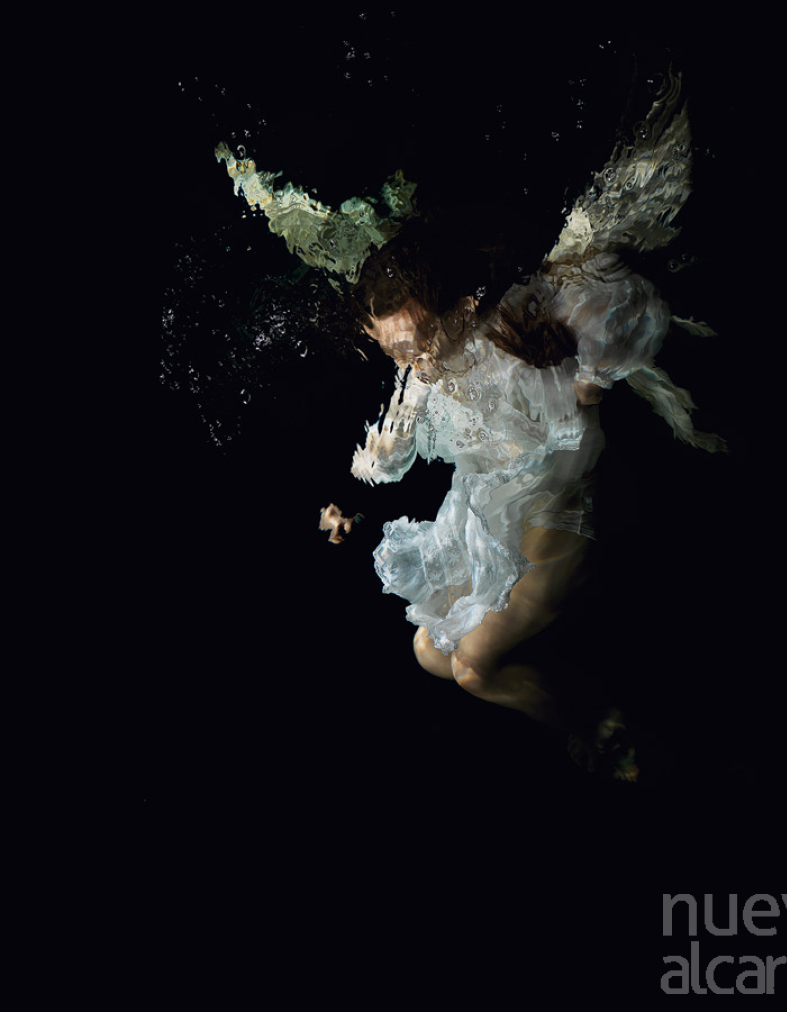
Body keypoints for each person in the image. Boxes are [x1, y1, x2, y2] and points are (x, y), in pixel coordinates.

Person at [217, 69, 724, 779]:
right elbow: (396, 458)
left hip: (555, 526)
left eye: (416, 343)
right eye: (392, 351)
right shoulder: (420, 371)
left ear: (460, 309)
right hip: (480, 522)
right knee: (430, 653)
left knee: (473, 667)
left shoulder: (520, 328)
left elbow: (619, 311)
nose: (409, 364)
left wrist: (591, 376)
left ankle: (599, 730)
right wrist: (370, 474)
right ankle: (584, 705)